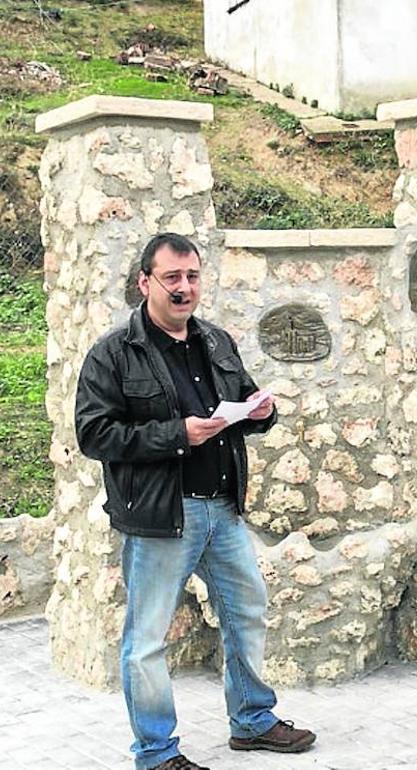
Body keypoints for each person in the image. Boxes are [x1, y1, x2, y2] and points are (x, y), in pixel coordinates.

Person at [74, 234, 315, 770]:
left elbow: (248, 400)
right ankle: (157, 754)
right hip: (163, 518)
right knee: (146, 641)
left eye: (193, 277)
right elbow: (95, 436)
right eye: (172, 278)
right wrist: (178, 434)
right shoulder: (112, 354)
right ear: (145, 282)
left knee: (247, 612)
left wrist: (261, 412)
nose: (185, 288)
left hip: (222, 510)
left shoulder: (217, 341)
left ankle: (252, 721)